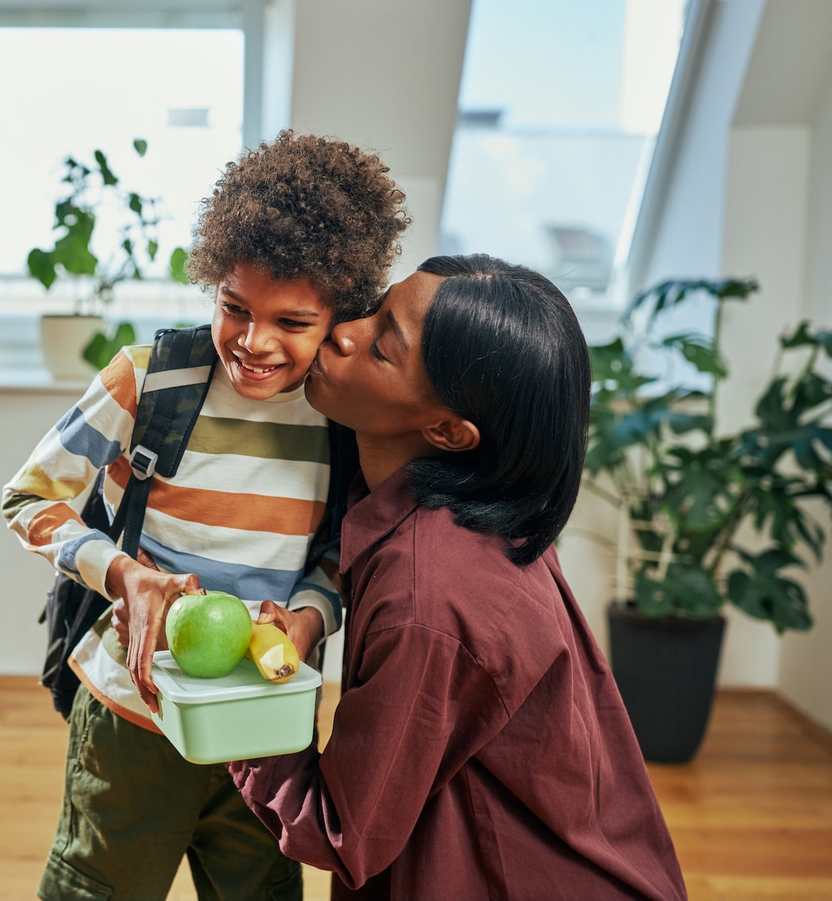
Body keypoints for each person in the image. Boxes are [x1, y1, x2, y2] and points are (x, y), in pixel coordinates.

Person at [1, 130, 409, 901]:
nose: (254, 343)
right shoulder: (152, 378)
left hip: (266, 730)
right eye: (235, 308)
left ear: (338, 319)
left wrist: (311, 621)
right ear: (213, 282)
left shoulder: (341, 420)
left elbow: (336, 555)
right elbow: (28, 498)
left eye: (292, 323)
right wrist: (121, 572)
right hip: (132, 716)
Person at [228, 254, 689, 901]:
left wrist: (239, 698)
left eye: (382, 346)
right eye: (375, 309)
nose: (344, 332)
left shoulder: (430, 594)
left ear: (447, 429)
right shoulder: (468, 510)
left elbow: (340, 834)